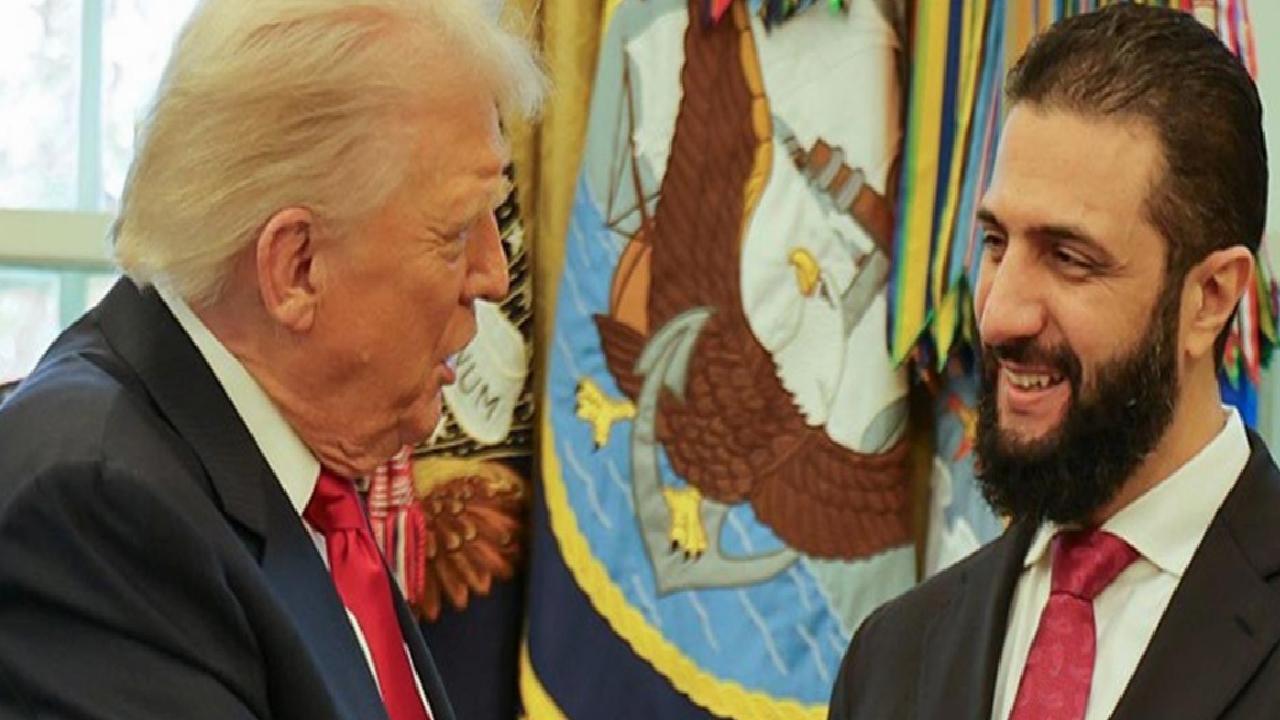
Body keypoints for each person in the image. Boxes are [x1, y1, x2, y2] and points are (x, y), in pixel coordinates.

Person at [0, 1, 544, 718]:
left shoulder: (282, 458)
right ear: (297, 268)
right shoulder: (99, 509)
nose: (494, 276)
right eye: (455, 234)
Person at [829, 5, 1275, 719]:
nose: (999, 315)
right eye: (996, 243)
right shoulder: (891, 657)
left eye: (1068, 258)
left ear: (1211, 297)